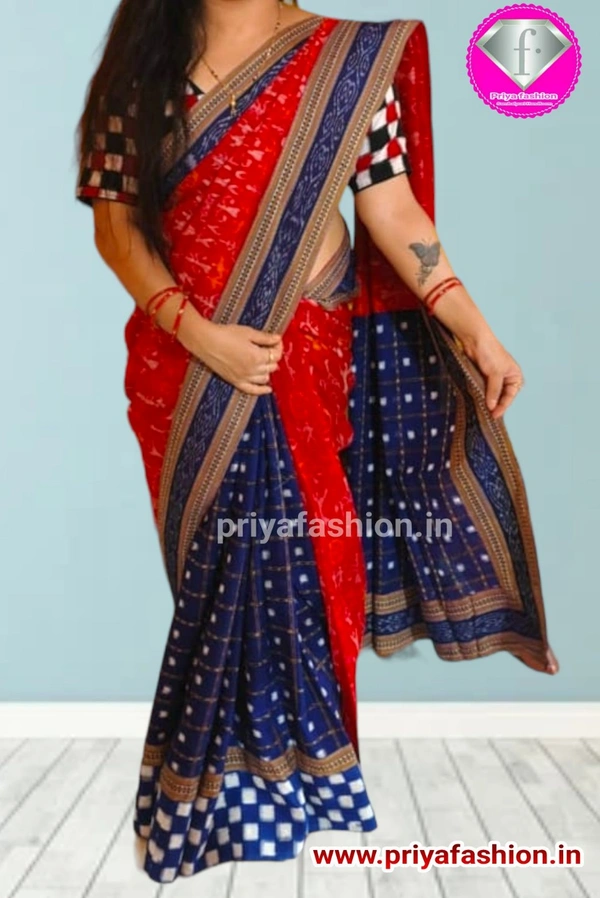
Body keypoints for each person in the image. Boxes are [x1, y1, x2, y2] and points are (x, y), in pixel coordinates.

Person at [75, 0, 559, 883]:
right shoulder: (141, 70)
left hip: (304, 354)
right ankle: (205, 809)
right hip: (190, 371)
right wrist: (199, 334)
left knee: (312, 559)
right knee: (223, 579)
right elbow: (116, 227)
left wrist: (475, 328)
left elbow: (392, 208)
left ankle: (291, 801)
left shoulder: (346, 63)